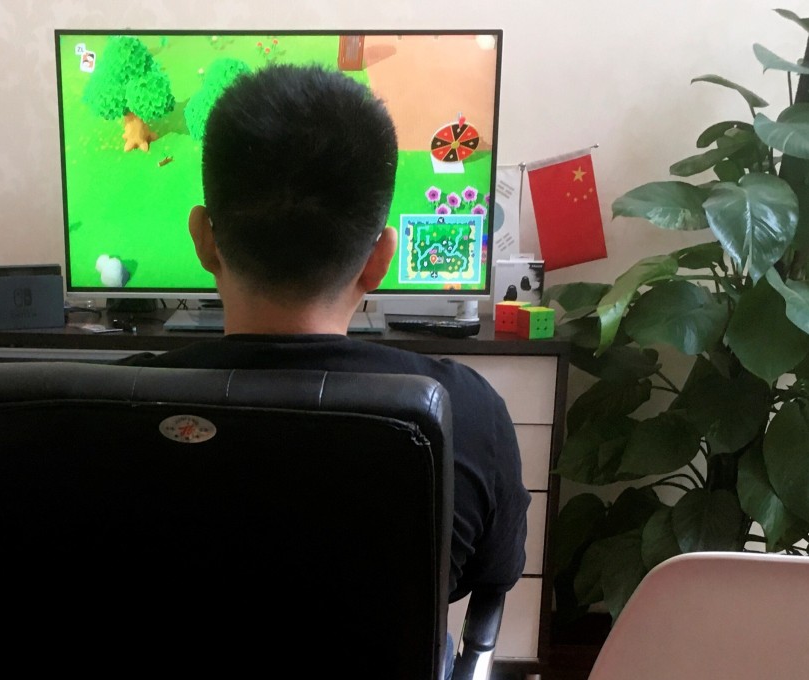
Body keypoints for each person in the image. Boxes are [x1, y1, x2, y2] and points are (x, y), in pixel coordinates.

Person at [119, 63, 530, 673]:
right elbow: (491, 584)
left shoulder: (100, 407)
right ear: (380, 260)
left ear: (204, 239)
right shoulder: (465, 411)